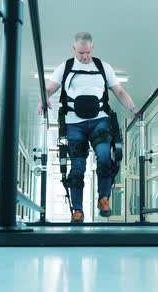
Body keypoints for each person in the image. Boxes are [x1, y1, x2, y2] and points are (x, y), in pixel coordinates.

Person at [39, 32, 139, 223]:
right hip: (73, 123)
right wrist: (42, 100)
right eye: (80, 53)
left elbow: (119, 91)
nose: (84, 57)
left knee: (104, 156)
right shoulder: (65, 67)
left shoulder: (103, 67)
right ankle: (77, 211)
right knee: (78, 166)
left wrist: (133, 108)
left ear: (92, 48)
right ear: (74, 49)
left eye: (87, 53)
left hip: (99, 120)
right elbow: (49, 88)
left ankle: (103, 198)